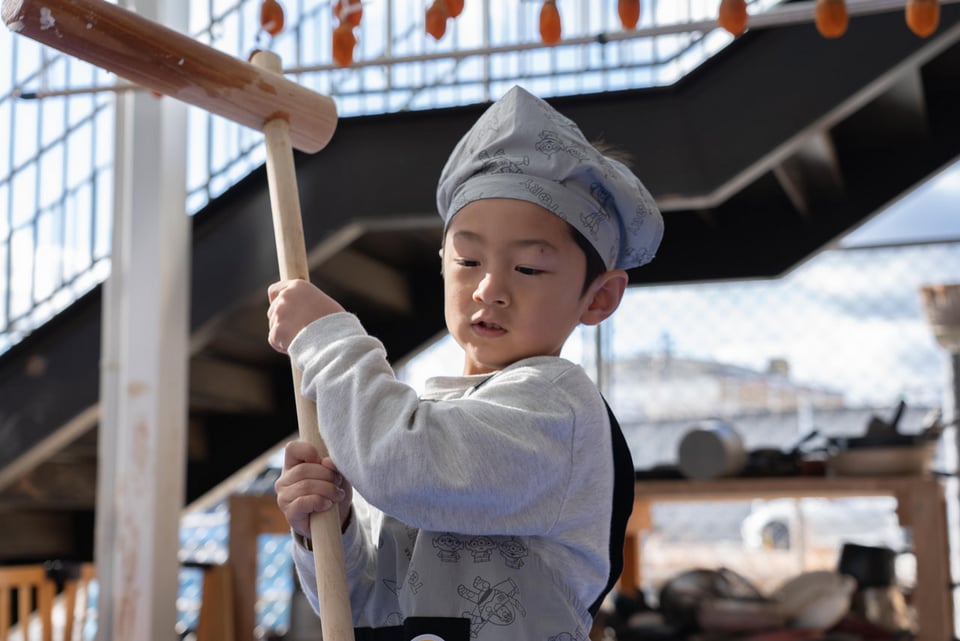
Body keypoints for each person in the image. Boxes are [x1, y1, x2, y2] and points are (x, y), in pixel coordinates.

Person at [267, 85, 664, 640]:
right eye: (468, 260)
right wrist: (331, 528)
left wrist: (328, 339)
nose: (488, 289)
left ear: (599, 297)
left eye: (528, 268)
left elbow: (401, 465)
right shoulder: (420, 418)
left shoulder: (556, 406)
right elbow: (363, 606)